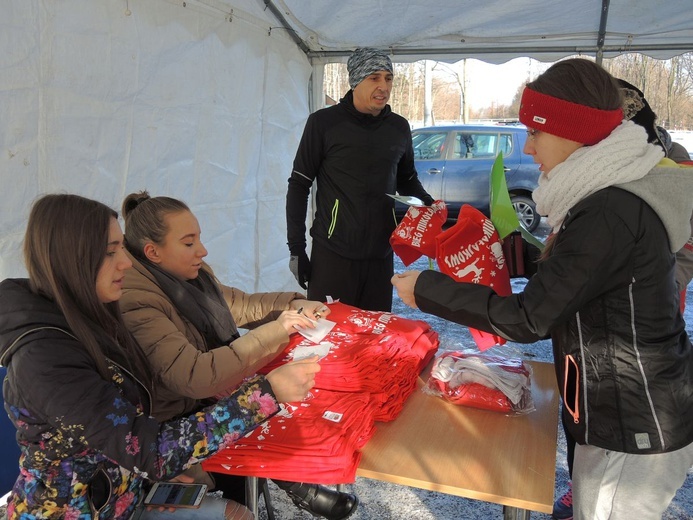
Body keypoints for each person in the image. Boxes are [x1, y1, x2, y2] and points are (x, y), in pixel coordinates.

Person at [392, 58, 693, 520]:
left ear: (575, 131)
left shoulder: (609, 209)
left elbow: (528, 318)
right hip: (616, 407)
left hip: (634, 421)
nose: (528, 147)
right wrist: (511, 252)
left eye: (535, 131)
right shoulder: (602, 193)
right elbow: (580, 275)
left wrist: (426, 290)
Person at [0, 193, 319, 520]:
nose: (126, 261)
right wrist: (266, 395)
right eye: (111, 252)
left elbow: (118, 432)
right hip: (76, 512)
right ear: (74, 260)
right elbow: (150, 448)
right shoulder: (46, 361)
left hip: (123, 494)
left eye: (122, 247)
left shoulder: (89, 315)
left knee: (238, 513)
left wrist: (145, 475)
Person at [119, 191, 358, 520]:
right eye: (189, 243)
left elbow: (238, 306)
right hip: (178, 429)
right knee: (266, 395)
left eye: (199, 239)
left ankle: (296, 484)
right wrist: (278, 329)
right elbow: (195, 376)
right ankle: (291, 487)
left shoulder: (190, 275)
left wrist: (291, 306)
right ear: (152, 252)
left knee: (288, 394)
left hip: (207, 406)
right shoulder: (136, 298)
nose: (202, 250)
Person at [550, 81, 693, 520]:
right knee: (583, 412)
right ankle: (583, 486)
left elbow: (685, 250)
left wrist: (652, 283)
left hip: (639, 342)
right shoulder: (592, 174)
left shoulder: (672, 166)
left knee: (614, 430)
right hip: (589, 337)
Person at [286, 47, 434, 312]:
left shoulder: (398, 127)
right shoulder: (323, 123)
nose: (383, 86)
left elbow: (407, 180)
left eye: (388, 78)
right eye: (374, 78)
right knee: (328, 340)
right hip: (333, 255)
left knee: (375, 340)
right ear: (355, 81)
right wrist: (297, 248)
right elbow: (299, 185)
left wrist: (430, 206)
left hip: (380, 257)